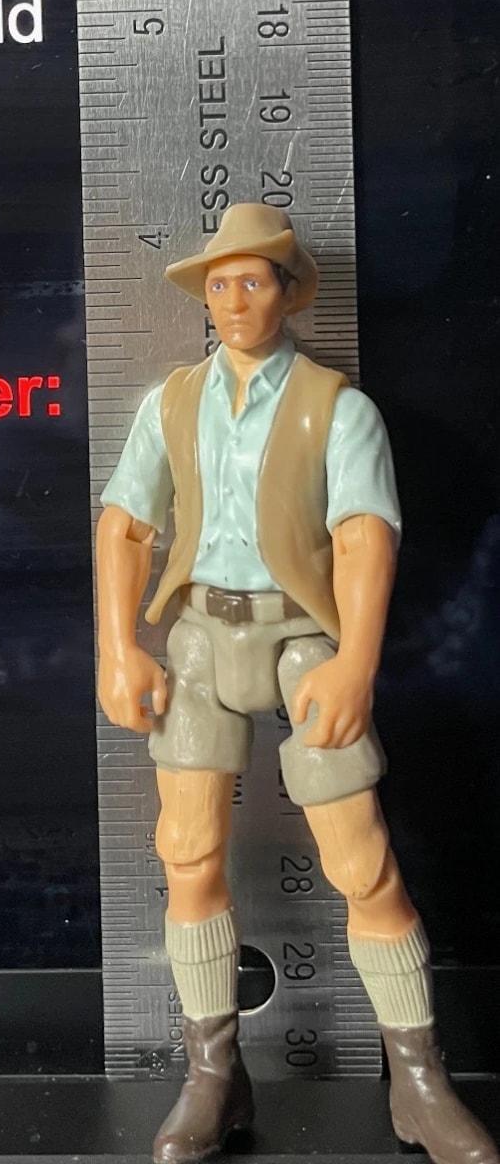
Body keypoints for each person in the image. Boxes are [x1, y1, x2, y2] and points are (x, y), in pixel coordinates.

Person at [96, 204, 497, 1164]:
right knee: (188, 850)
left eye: (254, 280)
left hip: (305, 637)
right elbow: (126, 526)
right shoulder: (172, 403)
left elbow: (364, 538)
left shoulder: (337, 409)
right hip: (200, 634)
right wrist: (119, 646)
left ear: (287, 292)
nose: (236, 299)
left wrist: (356, 661)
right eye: (220, 283)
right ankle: (213, 1075)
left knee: (360, 858)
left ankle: (418, 1079)